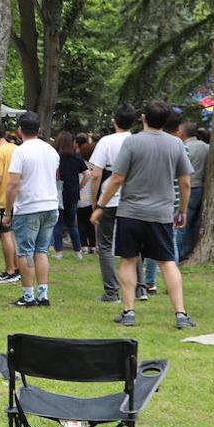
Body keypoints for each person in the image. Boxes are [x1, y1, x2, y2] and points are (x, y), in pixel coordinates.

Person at [91, 99, 196, 329]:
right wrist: (182, 211)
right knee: (167, 262)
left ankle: (128, 311)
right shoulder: (176, 145)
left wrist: (100, 206)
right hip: (161, 214)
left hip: (130, 213)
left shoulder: (132, 142)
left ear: (144, 119)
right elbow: (186, 182)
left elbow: (117, 178)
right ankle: (180, 314)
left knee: (128, 260)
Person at [4, 111, 60, 307]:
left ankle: (28, 296)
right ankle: (43, 294)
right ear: (39, 129)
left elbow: (12, 184)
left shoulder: (21, 151)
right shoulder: (51, 151)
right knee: (41, 250)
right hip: (50, 205)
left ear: (19, 131)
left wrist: (8, 211)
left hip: (28, 206)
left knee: (25, 251)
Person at [87, 104, 138, 303]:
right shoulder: (136, 140)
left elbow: (94, 172)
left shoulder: (106, 142)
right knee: (135, 245)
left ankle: (111, 291)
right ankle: (140, 288)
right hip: (132, 197)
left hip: (109, 196)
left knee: (105, 244)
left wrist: (95, 201)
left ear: (114, 121)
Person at [176, 120, 210, 259]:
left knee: (181, 222)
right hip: (201, 187)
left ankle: (176, 253)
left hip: (189, 187)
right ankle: (186, 251)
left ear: (182, 133)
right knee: (194, 222)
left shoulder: (185, 148)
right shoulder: (206, 147)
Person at [51, 131, 87, 259]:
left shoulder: (56, 157)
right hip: (73, 192)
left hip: (59, 192)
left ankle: (58, 252)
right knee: (72, 224)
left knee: (58, 223)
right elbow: (87, 174)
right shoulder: (77, 157)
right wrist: (80, 186)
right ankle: (78, 251)